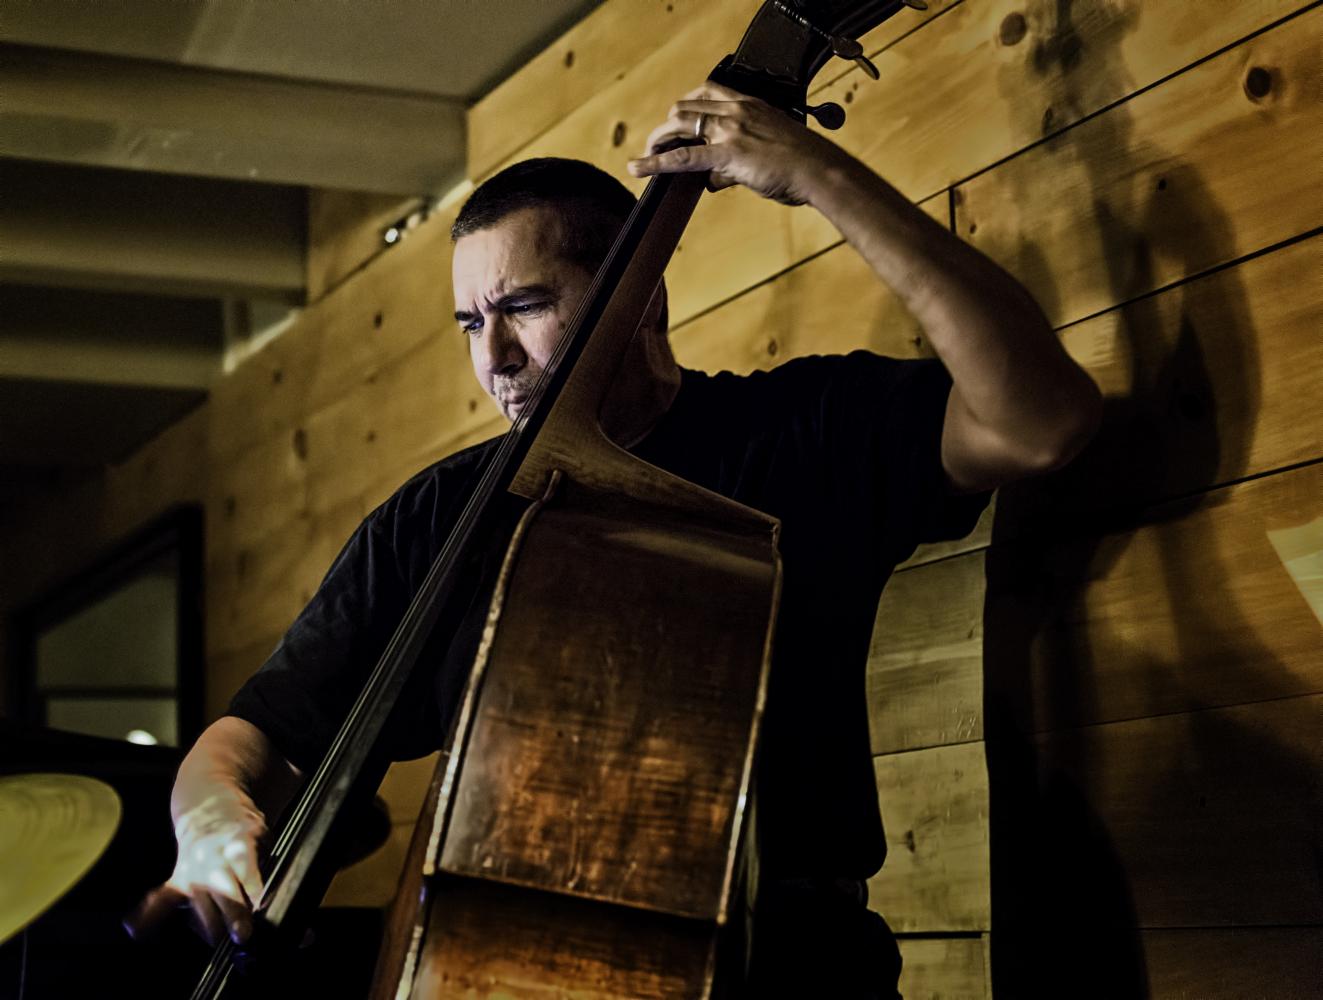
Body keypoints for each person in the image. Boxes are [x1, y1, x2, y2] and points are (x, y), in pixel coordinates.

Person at [131, 83, 1101, 996]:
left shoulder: (802, 434)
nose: (492, 356)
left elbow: (1040, 419)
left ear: (645, 296)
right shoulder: (442, 513)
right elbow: (255, 732)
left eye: (524, 306)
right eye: (470, 321)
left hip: (794, 968)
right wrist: (209, 817)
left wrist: (816, 174)